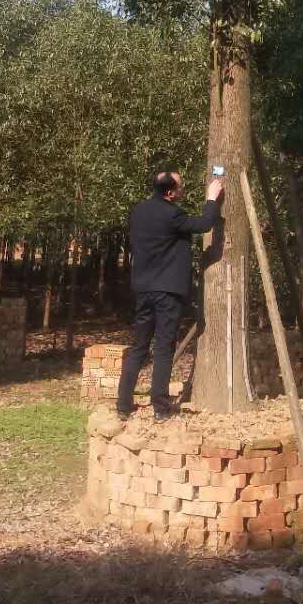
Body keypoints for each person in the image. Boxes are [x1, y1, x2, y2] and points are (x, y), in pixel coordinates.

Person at [116, 167, 224, 421]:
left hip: (143, 289)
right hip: (168, 291)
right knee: (164, 347)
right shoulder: (173, 214)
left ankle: (122, 404)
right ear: (170, 192)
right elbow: (204, 224)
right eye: (180, 186)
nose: (182, 189)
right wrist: (211, 198)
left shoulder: (139, 211)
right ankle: (161, 408)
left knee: (139, 346)